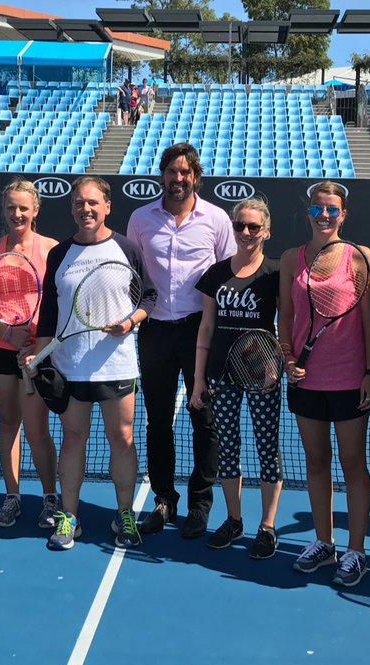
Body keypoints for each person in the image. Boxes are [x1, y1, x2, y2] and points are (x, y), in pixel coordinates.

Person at [26, 176, 156, 551]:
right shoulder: (60, 254)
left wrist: (130, 322)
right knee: (73, 439)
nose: (86, 209)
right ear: (72, 209)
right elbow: (50, 314)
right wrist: (39, 352)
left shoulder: (127, 248)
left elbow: (149, 296)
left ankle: (124, 514)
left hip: (117, 366)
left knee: (123, 439)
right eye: (79, 203)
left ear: (107, 207)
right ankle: (69, 516)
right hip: (71, 367)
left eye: (93, 202)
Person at [127, 143, 235, 539]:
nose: (178, 178)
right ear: (162, 175)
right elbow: (132, 272)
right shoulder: (140, 219)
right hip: (154, 330)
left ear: (195, 177)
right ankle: (164, 499)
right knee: (157, 420)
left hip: (199, 332)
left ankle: (200, 505)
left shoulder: (217, 219)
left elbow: (228, 274)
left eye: (185, 172)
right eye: (172, 171)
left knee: (204, 419)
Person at [280, 181, 370, 587]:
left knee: (353, 464)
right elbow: (286, 316)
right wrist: (288, 358)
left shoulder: (360, 256)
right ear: (308, 212)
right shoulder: (292, 258)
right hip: (305, 380)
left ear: (343, 214)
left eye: (332, 209)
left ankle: (356, 550)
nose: (324, 215)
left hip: (349, 379)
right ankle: (324, 542)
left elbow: (369, 320)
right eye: (317, 208)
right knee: (316, 462)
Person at [190, 198, 283, 559]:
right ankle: (233, 519)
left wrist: (278, 364)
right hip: (221, 373)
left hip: (262, 374)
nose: (246, 232)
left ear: (266, 231)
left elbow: (287, 323)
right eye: (240, 225)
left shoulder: (275, 274)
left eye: (253, 226)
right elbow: (206, 327)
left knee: (267, 447)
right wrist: (199, 379)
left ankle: (267, 527)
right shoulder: (216, 274)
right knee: (227, 447)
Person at [0, 179, 60, 529]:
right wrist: (6, 331)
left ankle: (50, 497)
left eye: (24, 207)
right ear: (4, 210)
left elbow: (59, 303)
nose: (17, 213)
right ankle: (12, 496)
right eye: (11, 207)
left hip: (37, 352)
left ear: (35, 210)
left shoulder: (51, 249)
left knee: (37, 430)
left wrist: (38, 344)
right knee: (8, 423)